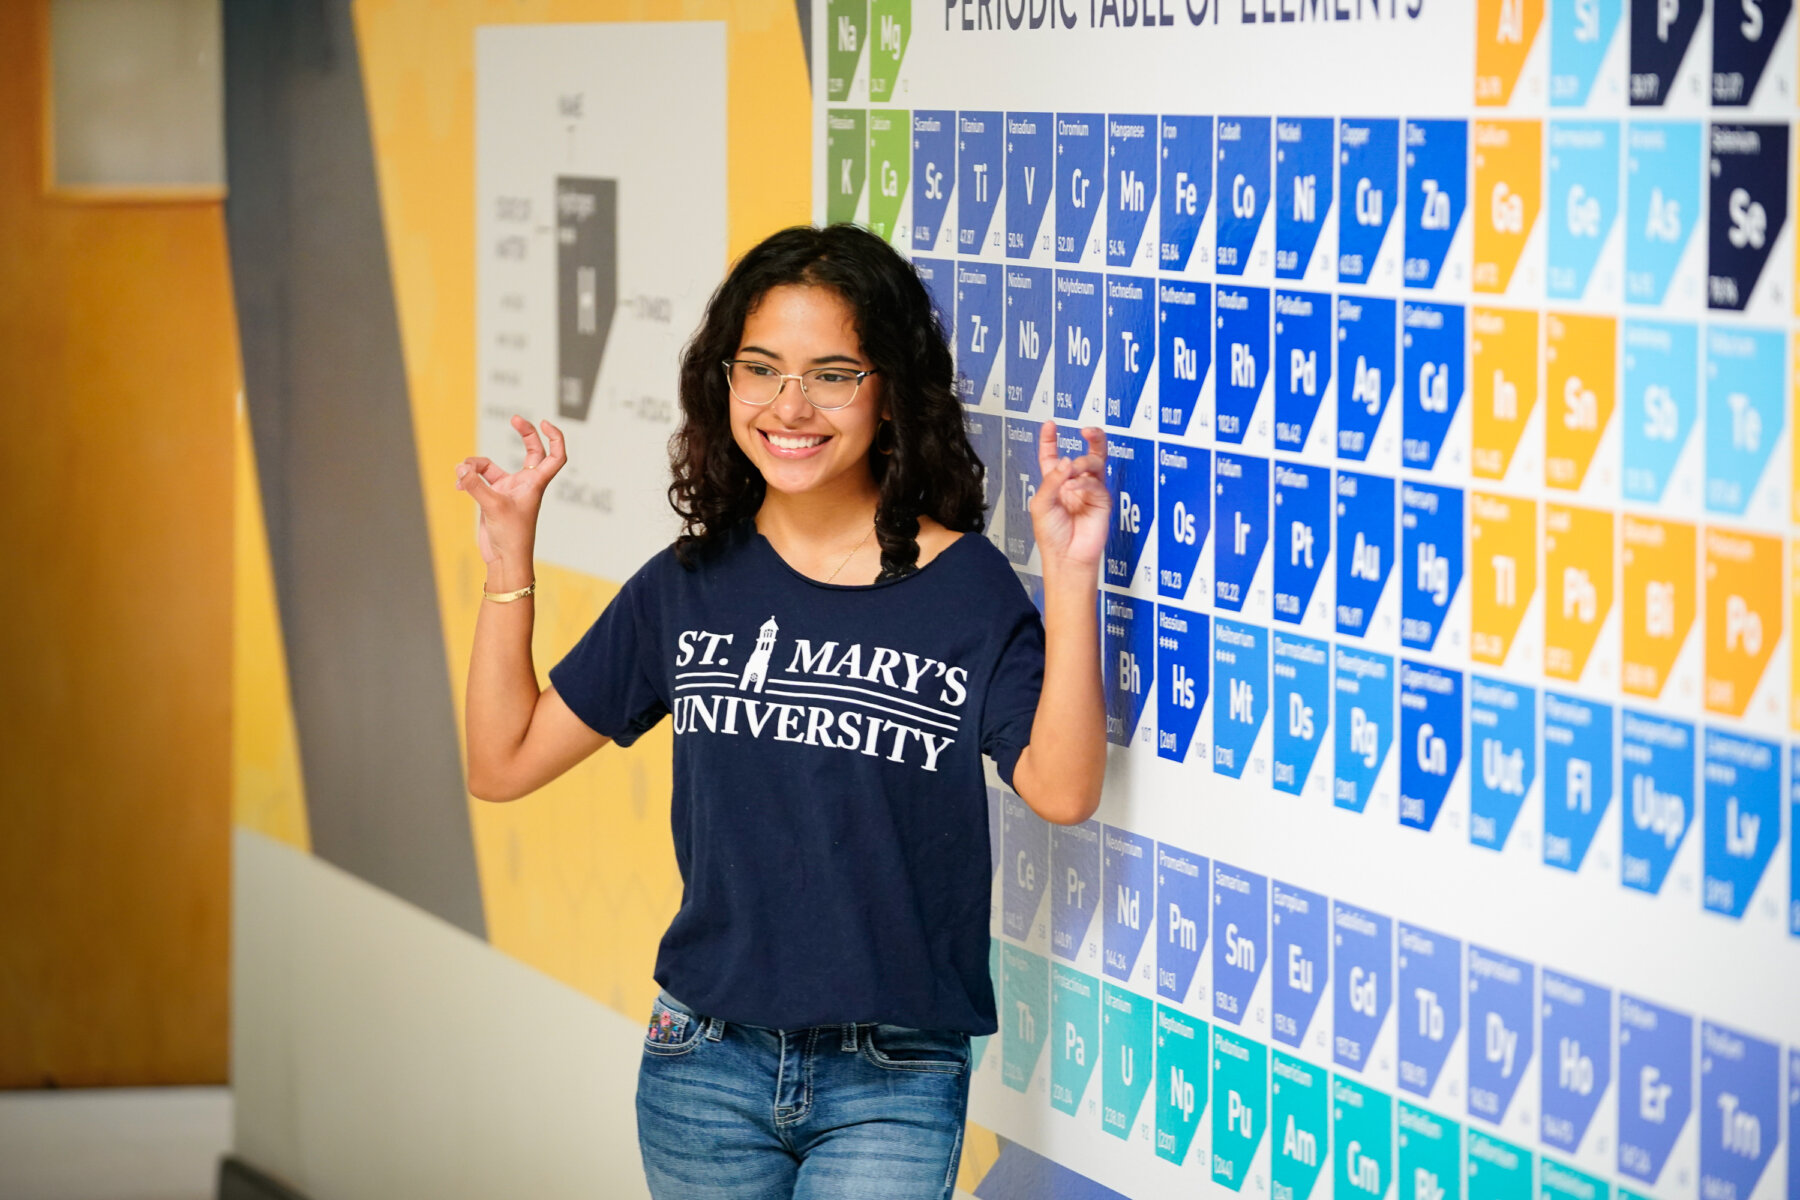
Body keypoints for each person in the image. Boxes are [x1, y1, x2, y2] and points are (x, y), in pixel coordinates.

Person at [456, 223, 1109, 1199]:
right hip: (703, 1062)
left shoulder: (963, 588)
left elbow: (1060, 789)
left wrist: (1069, 577)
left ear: (889, 391)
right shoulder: (690, 585)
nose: (789, 405)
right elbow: (500, 762)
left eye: (832, 373)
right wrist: (511, 560)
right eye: (759, 368)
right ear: (723, 384)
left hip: (891, 1074)